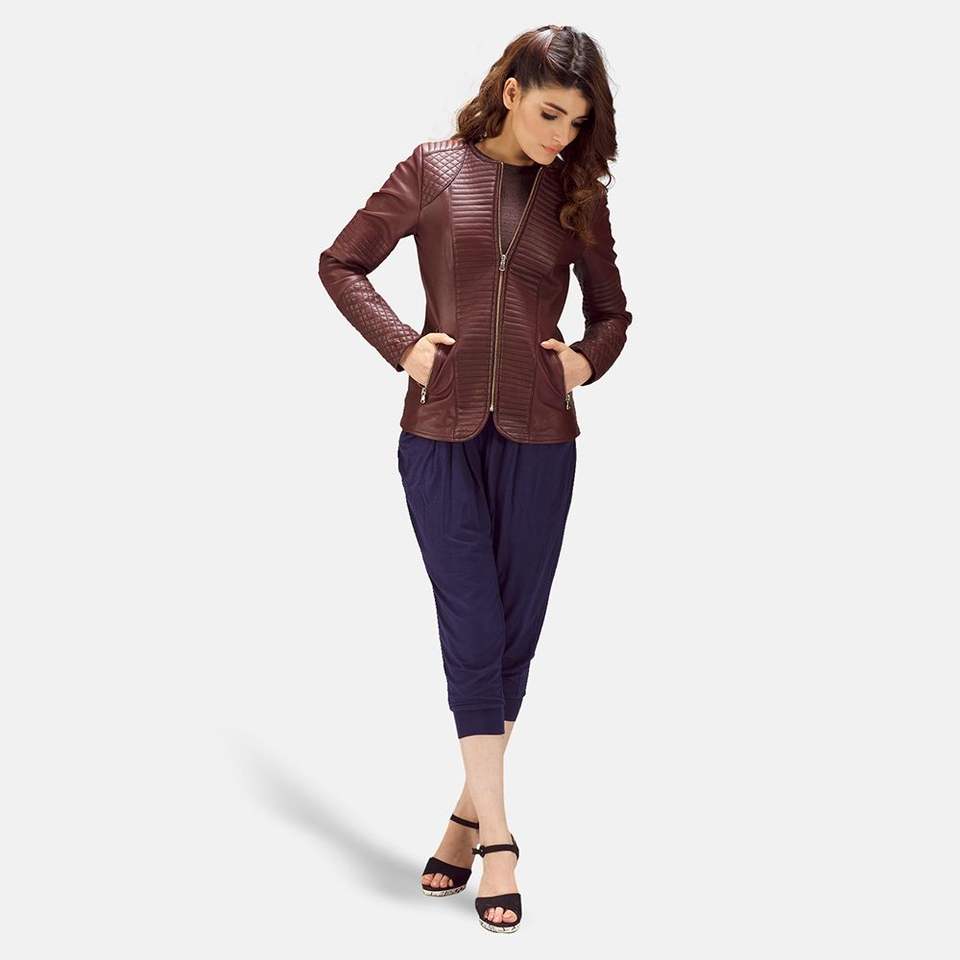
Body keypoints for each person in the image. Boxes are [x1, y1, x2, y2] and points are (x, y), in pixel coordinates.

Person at [317, 24, 632, 933]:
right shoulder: (431, 168)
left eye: (577, 123)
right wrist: (403, 345)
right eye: (550, 114)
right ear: (511, 92)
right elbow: (341, 263)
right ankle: (500, 838)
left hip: (541, 439)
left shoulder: (575, 195)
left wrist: (584, 362)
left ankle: (463, 817)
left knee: (514, 637)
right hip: (439, 435)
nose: (562, 136)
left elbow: (611, 312)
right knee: (473, 625)